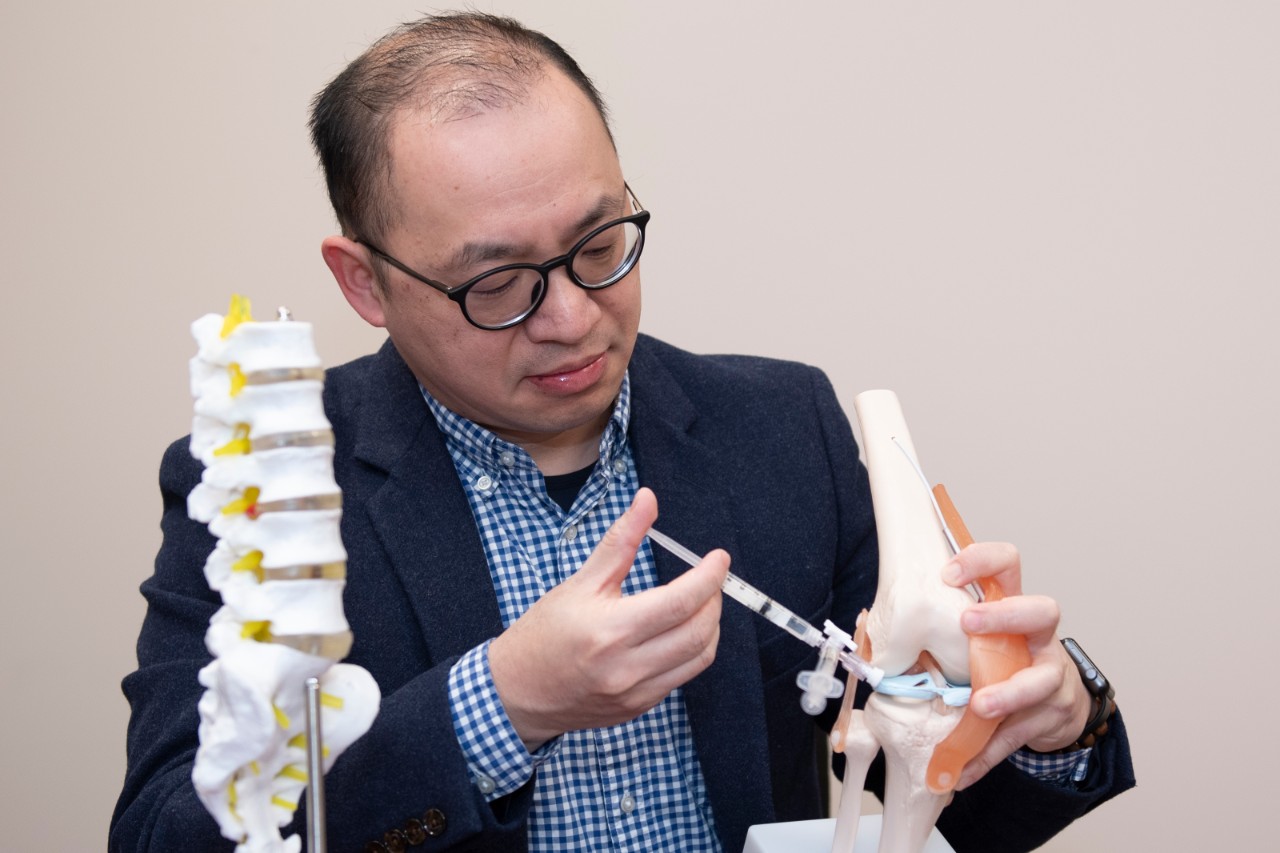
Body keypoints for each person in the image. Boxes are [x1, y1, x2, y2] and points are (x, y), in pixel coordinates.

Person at [110, 12, 1134, 853]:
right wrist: (496, 705)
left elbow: (945, 799)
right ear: (364, 282)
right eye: (496, 283)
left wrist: (1050, 719)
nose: (570, 317)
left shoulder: (784, 429)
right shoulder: (267, 485)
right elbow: (165, 834)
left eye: (600, 243)